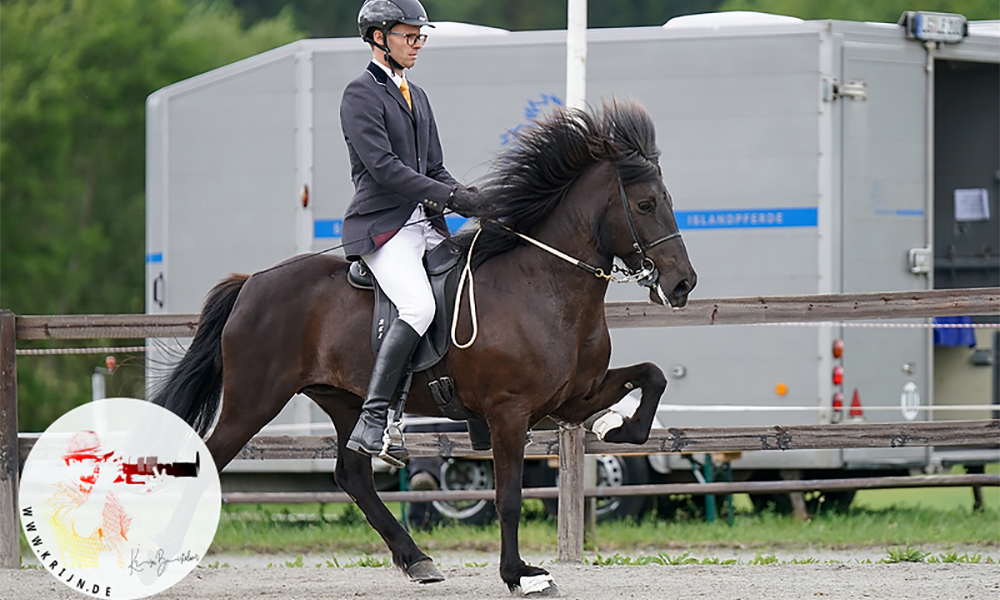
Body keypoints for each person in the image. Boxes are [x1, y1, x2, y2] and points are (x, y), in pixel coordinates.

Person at [341, 0, 480, 467]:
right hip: (384, 226)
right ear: (379, 37)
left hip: (426, 225)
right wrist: (450, 198)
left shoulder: (416, 95)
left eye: (421, 36)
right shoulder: (359, 95)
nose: (418, 44)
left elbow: (434, 167)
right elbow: (383, 169)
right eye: (409, 35)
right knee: (418, 305)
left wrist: (469, 196)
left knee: (473, 285)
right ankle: (375, 419)